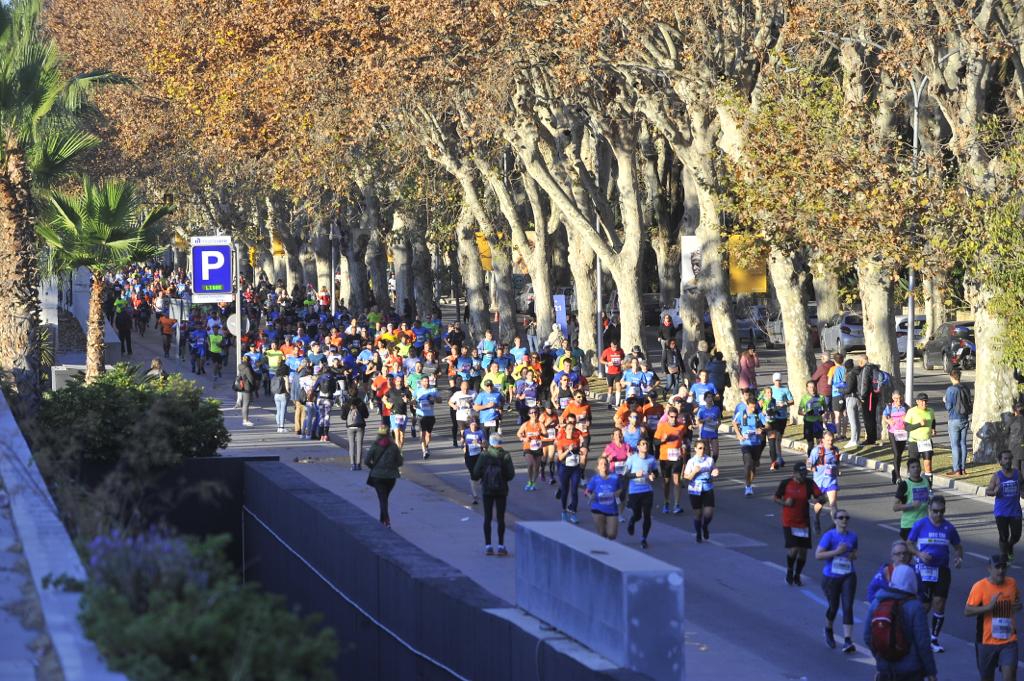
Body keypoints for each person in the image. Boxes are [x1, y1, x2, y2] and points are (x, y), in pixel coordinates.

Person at [908, 494, 964, 653]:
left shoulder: (949, 528)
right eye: (935, 511)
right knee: (924, 606)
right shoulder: (920, 525)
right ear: (929, 510)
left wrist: (959, 557)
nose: (938, 514)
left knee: (939, 603)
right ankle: (915, 634)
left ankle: (933, 638)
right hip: (923, 570)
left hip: (942, 569)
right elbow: (909, 544)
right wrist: (919, 554)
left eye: (941, 511)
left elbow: (958, 546)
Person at [864, 564, 938, 681]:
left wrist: (880, 658)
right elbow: (923, 643)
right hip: (910, 671)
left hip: (885, 669)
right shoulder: (915, 607)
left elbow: (867, 637)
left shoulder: (877, 602)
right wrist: (931, 672)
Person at [964, 554, 1021, 681]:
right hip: (986, 642)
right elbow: (967, 611)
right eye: (997, 567)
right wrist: (988, 607)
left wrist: (1018, 606)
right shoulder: (979, 587)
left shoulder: (1012, 583)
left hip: (1009, 640)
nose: (1001, 571)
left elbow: (1016, 601)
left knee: (1010, 676)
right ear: (989, 568)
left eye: (1003, 567)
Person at [774, 462, 828, 586]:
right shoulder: (786, 483)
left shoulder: (809, 483)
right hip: (789, 521)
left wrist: (817, 499)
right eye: (801, 474)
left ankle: (797, 575)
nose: (803, 476)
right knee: (794, 548)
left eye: (805, 474)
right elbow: (776, 497)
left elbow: (822, 497)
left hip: (803, 522)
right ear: (794, 473)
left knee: (803, 551)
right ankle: (789, 571)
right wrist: (785, 503)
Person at [815, 509, 858, 653]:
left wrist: (852, 555)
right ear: (835, 520)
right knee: (833, 607)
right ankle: (828, 629)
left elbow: (856, 553)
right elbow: (818, 555)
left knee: (848, 607)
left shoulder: (853, 536)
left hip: (848, 575)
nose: (844, 520)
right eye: (841, 518)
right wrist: (836, 552)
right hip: (831, 577)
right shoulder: (829, 536)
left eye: (846, 517)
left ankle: (847, 640)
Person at [472, 434, 516, 556]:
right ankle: (501, 546)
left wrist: (484, 476)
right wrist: (502, 478)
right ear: (500, 442)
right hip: (501, 489)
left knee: (488, 517)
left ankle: (488, 546)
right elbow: (511, 474)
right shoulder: (505, 455)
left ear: (490, 443)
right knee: (501, 518)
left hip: (487, 489)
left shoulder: (484, 455)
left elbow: (475, 473)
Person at [987, 451, 1023, 562]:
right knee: (1004, 536)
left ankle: (1009, 547)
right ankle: (1003, 557)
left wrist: (1022, 492)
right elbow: (988, 490)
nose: (1008, 461)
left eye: (1009, 459)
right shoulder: (997, 476)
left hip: (1015, 511)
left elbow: (1022, 488)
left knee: (1016, 536)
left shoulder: (1018, 474)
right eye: (1005, 459)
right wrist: (994, 492)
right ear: (1000, 462)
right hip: (1001, 512)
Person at [623, 439, 658, 550]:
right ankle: (632, 521)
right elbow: (625, 474)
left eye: (647, 443)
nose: (645, 445)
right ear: (638, 447)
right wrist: (635, 475)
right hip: (634, 491)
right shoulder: (632, 459)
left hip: (647, 491)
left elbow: (656, 471)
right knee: (637, 514)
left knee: (647, 515)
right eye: (643, 444)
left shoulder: (651, 459)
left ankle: (644, 539)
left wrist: (653, 475)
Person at [365, 426, 403, 528]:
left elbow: (366, 460)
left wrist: (373, 467)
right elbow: (400, 462)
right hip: (391, 477)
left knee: (382, 498)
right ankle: (383, 520)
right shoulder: (394, 446)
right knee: (385, 498)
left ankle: (386, 520)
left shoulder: (375, 446)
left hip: (377, 476)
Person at [866, 539, 924, 604]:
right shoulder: (884, 572)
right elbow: (871, 591)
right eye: (898, 554)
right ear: (892, 556)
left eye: (905, 553)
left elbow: (920, 593)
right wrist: (878, 606)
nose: (902, 556)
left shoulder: (915, 572)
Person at [654, 407, 688, 515]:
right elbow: (655, 442)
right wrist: (662, 440)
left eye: (675, 417)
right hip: (664, 458)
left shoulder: (682, 426)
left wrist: (684, 445)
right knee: (666, 482)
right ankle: (666, 502)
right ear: (668, 416)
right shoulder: (662, 426)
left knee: (676, 480)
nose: (673, 419)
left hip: (677, 457)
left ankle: (676, 505)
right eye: (671, 417)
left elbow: (686, 437)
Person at [683, 441, 719, 543]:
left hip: (707, 488)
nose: (702, 450)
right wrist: (694, 471)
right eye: (700, 448)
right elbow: (686, 477)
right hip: (695, 489)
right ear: (695, 449)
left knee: (709, 513)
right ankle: (698, 533)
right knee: (698, 514)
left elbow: (714, 468)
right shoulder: (691, 461)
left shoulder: (709, 460)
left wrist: (715, 471)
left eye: (703, 448)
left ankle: (705, 526)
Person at [807, 430, 841, 533]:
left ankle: (836, 525)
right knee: (820, 504)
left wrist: (837, 470)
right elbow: (808, 464)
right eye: (828, 440)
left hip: (831, 480)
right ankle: (816, 519)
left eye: (832, 440)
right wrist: (812, 468)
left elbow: (837, 463)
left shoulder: (835, 450)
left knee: (833, 504)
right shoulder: (817, 451)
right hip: (819, 482)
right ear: (823, 440)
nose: (830, 442)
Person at [734, 398, 768, 496]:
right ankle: (748, 487)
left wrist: (761, 429)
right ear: (747, 405)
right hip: (745, 443)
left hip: (757, 443)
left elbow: (767, 425)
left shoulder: (759, 414)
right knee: (748, 463)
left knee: (754, 465)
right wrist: (738, 434)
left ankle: (749, 482)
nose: (753, 409)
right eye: (751, 407)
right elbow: (734, 423)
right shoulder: (741, 413)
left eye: (754, 407)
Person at [555, 415, 584, 523]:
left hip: (575, 468)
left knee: (574, 490)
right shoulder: (561, 441)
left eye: (572, 429)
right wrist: (568, 450)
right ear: (565, 429)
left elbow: (577, 451)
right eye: (569, 429)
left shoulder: (576, 439)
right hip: (564, 467)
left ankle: (573, 512)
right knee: (565, 490)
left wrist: (579, 451)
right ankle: (564, 511)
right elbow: (560, 457)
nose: (571, 431)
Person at [945, 368, 973, 476]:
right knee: (963, 443)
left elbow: (948, 406)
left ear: (951, 377)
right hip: (965, 418)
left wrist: (945, 400)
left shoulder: (951, 390)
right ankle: (963, 468)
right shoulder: (965, 388)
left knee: (955, 444)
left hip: (954, 418)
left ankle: (956, 469)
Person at [895, 459, 933, 540]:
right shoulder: (904, 485)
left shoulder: (926, 481)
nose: (916, 469)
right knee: (909, 551)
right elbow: (895, 507)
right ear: (908, 470)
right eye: (913, 467)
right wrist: (911, 505)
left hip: (924, 524)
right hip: (909, 525)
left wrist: (930, 501)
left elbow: (929, 499)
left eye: (918, 466)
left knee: (924, 551)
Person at [585, 456, 621, 540]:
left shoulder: (615, 478)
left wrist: (617, 493)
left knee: (612, 534)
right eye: (601, 464)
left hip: (612, 509)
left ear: (608, 465)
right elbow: (587, 491)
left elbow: (621, 488)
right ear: (598, 466)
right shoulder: (595, 479)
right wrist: (591, 496)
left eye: (605, 463)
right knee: (602, 534)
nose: (604, 465)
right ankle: (607, 549)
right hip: (598, 509)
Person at [906, 393, 937, 481]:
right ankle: (913, 484)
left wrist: (933, 428)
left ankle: (929, 487)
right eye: (922, 401)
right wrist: (919, 424)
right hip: (914, 441)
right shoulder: (911, 411)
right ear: (917, 402)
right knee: (914, 465)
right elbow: (906, 427)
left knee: (928, 464)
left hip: (926, 441)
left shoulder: (930, 411)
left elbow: (933, 421)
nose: (924, 403)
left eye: (925, 401)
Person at [340, 383, 369, 470]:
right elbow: (366, 415)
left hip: (350, 426)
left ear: (349, 393)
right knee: (359, 445)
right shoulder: (361, 403)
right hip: (360, 425)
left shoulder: (346, 403)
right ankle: (359, 464)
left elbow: (343, 417)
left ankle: (352, 464)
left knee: (351, 445)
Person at [768, 373, 794, 470]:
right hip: (772, 418)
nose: (778, 382)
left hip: (782, 417)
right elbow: (762, 400)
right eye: (776, 380)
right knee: (773, 439)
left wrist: (785, 403)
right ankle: (777, 458)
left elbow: (792, 401)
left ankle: (779, 458)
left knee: (778, 437)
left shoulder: (785, 389)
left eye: (779, 380)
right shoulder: (769, 390)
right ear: (773, 381)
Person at [884, 392, 911, 484]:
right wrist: (888, 421)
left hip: (902, 433)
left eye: (899, 398)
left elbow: (910, 417)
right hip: (892, 432)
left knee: (899, 454)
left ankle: (894, 472)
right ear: (892, 398)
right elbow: (884, 416)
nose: (898, 400)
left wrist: (906, 420)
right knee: (896, 453)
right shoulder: (890, 407)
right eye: (896, 398)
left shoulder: (906, 407)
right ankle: (898, 477)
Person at [516, 407, 546, 490]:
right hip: (528, 447)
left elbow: (546, 434)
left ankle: (533, 482)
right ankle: (529, 481)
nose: (533, 414)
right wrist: (523, 438)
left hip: (538, 447)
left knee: (536, 467)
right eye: (531, 412)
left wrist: (541, 433)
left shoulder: (540, 424)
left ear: (537, 413)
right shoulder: (525, 424)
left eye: (535, 412)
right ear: (529, 414)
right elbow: (518, 433)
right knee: (530, 464)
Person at [413, 375, 438, 459]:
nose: (426, 383)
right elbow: (413, 400)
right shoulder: (417, 390)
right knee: (422, 433)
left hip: (430, 415)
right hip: (420, 415)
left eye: (427, 381)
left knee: (429, 435)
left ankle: (426, 446)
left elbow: (440, 400)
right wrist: (413, 403)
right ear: (421, 382)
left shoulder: (433, 390)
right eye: (424, 381)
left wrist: (434, 399)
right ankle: (424, 451)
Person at [798, 380, 826, 453]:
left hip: (818, 422)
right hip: (808, 423)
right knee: (810, 444)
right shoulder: (804, 398)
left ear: (816, 387)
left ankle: (820, 461)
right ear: (807, 388)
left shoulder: (821, 397)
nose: (812, 389)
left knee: (820, 443)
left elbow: (826, 409)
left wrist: (822, 412)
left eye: (813, 387)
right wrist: (807, 413)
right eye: (810, 387)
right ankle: (811, 460)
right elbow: (799, 411)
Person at [695, 391, 722, 461]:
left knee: (716, 453)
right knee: (707, 453)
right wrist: (705, 420)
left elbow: (719, 420)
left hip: (714, 434)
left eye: (711, 397)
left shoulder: (716, 409)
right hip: (705, 434)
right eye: (708, 397)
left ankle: (711, 464)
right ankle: (709, 468)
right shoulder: (702, 409)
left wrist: (717, 426)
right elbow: (698, 421)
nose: (710, 399)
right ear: (705, 399)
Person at [235, 356, 257, 427]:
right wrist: (254, 385)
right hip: (247, 386)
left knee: (245, 403)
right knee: (246, 404)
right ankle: (245, 420)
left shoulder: (240, 366)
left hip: (242, 386)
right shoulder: (247, 368)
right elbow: (250, 378)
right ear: (249, 361)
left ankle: (245, 419)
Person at [270, 363, 290, 433]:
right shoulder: (285, 377)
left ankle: (278, 427)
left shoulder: (275, 376)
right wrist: (289, 392)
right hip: (283, 395)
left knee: (278, 411)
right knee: (283, 411)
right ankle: (282, 427)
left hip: (276, 395)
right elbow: (287, 388)